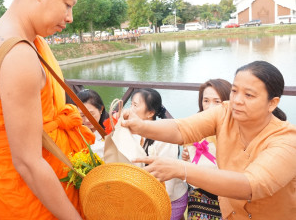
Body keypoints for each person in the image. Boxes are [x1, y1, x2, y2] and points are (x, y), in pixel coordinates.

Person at [0, 0, 95, 219]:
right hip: (33, 198)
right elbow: (27, 162)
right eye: (67, 4)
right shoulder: (18, 55)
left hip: (15, 184)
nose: (70, 16)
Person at [122, 61, 296, 219]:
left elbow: (249, 186)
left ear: (272, 103)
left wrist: (181, 169)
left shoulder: (287, 140)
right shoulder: (225, 112)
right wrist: (139, 126)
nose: (237, 101)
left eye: (249, 95)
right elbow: (181, 129)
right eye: (234, 91)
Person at [130, 88, 188, 220]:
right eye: (131, 104)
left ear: (150, 113)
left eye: (136, 105)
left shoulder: (165, 139)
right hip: (145, 196)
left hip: (169, 200)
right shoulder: (133, 134)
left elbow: (168, 184)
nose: (131, 109)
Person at [181, 79, 232, 220]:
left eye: (217, 102)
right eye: (206, 101)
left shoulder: (236, 128)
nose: (210, 107)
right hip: (199, 191)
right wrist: (186, 157)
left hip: (228, 192)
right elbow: (189, 157)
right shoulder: (194, 125)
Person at [76, 89, 109, 158]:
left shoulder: (111, 129)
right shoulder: (74, 132)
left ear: (101, 110)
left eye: (91, 114)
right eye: (82, 115)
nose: (87, 120)